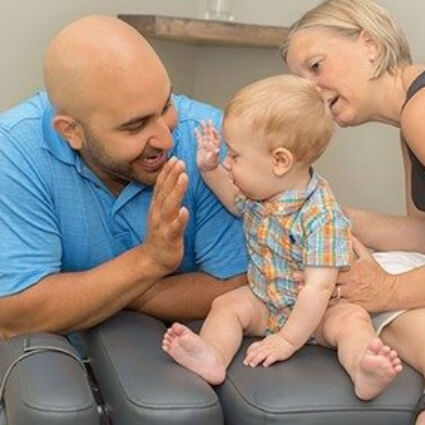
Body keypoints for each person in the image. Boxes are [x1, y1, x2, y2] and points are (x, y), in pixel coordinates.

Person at [162, 74, 404, 401]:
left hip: (320, 313)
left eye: (234, 156)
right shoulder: (261, 193)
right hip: (267, 300)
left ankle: (364, 368)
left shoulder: (321, 214)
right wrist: (209, 170)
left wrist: (287, 340)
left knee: (352, 321)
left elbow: (318, 288)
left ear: (279, 161)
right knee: (227, 304)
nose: (228, 164)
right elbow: (234, 202)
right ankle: (213, 355)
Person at [282, 0, 425, 422]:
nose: (310, 90)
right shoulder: (410, 117)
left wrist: (387, 290)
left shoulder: (420, 112)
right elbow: (423, 234)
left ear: (370, 45)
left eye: (315, 66)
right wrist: (336, 217)